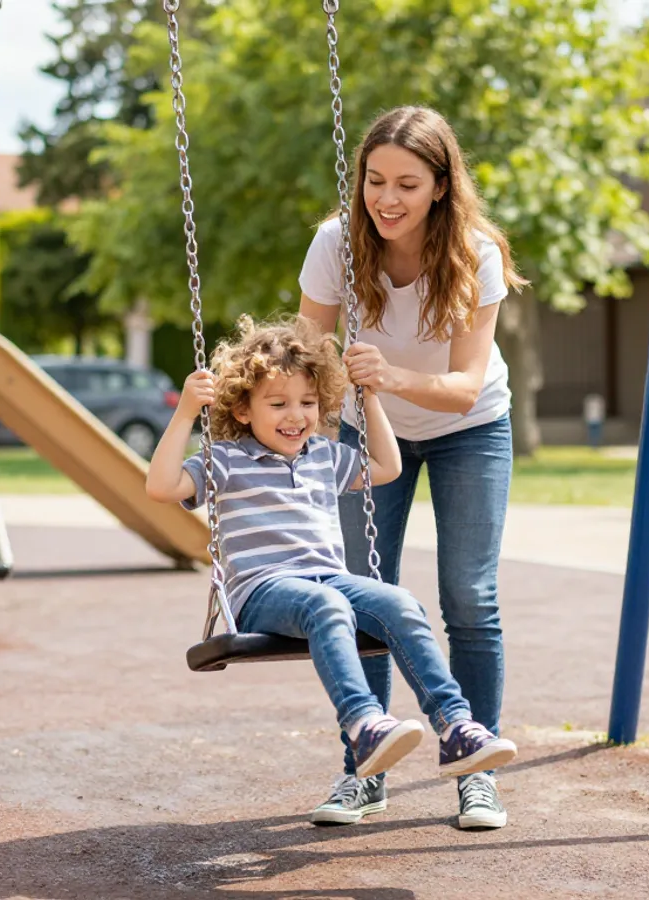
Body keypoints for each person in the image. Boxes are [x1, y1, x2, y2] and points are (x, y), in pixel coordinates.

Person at [145, 315, 519, 800]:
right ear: (242, 410)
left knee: (400, 603)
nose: (294, 416)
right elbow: (160, 487)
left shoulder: (324, 455)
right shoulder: (226, 461)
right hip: (263, 590)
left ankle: (456, 728)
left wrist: (371, 398)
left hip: (326, 580)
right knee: (328, 607)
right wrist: (184, 414)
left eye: (307, 402)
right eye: (277, 404)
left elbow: (387, 466)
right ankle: (364, 723)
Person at [299, 106, 528, 830]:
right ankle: (363, 772)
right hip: (368, 431)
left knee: (469, 597)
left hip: (471, 428)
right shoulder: (336, 244)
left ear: (440, 185)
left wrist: (389, 376)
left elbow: (463, 388)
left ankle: (475, 772)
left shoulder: (473, 252)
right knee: (363, 596)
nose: (386, 199)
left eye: (406, 183)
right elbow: (309, 351)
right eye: (374, 181)